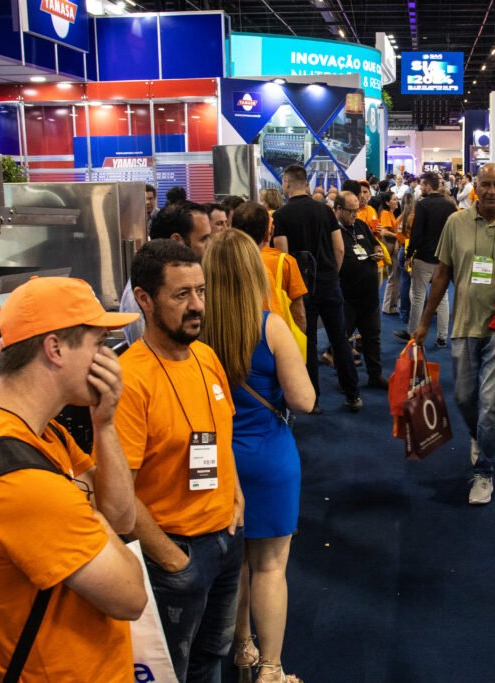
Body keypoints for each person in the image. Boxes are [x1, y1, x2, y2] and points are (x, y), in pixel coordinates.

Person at [0, 277, 146, 681]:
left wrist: (105, 424)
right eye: (98, 344)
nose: (108, 359)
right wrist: (85, 509)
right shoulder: (20, 483)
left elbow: (122, 518)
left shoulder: (36, 432)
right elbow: (130, 596)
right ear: (55, 348)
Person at [117, 240, 245, 682]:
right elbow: (119, 495)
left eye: (201, 291)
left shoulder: (206, 357)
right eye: (181, 294)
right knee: (172, 668)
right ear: (145, 299)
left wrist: (236, 498)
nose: (197, 306)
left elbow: (222, 436)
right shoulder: (131, 381)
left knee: (214, 656)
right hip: (175, 554)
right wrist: (172, 560)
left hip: (226, 539)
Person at [201, 229, 315, 682]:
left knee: (234, 565)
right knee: (269, 566)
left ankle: (242, 645)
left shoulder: (194, 331)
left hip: (215, 461)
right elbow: (304, 400)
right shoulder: (270, 327)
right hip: (268, 458)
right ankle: (271, 667)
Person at [412, 163, 495, 505]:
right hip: (464, 324)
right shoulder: (456, 222)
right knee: (464, 397)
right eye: (486, 184)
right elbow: (442, 273)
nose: (492, 191)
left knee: (491, 405)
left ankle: (484, 471)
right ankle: (479, 437)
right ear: (475, 187)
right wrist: (424, 322)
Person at [272, 164, 361, 412]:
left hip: (301, 289)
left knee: (307, 342)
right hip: (329, 283)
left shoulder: (281, 216)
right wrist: (332, 274)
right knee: (340, 339)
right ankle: (353, 394)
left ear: (287, 183)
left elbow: (283, 257)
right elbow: (339, 248)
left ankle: (313, 400)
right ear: (306, 183)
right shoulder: (325, 211)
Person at [120, 201, 212, 345]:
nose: (197, 306)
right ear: (177, 240)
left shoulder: (204, 353)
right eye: (204, 239)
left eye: (200, 291)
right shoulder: (142, 295)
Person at [334, 190, 388, 388]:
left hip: (369, 295)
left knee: (372, 338)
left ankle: (375, 376)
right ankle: (346, 382)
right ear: (338, 209)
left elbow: (375, 244)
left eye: (356, 210)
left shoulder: (361, 225)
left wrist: (378, 251)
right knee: (341, 342)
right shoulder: (332, 231)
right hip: (346, 297)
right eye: (351, 211)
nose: (355, 215)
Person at [397, 171, 456, 347]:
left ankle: (413, 334)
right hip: (443, 259)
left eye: (422, 184)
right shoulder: (450, 206)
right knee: (443, 298)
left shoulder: (422, 205)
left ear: (428, 186)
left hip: (423, 258)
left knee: (418, 297)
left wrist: (409, 255)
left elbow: (416, 234)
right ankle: (442, 337)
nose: (420, 187)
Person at [231, 201, 308, 336]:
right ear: (268, 234)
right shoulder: (284, 263)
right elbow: (299, 313)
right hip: (275, 338)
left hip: (234, 335)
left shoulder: (222, 261)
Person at [384, 192, 415, 316]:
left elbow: (398, 233)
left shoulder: (400, 218)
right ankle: (411, 311)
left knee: (404, 280)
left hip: (402, 249)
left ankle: (404, 310)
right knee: (414, 282)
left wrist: (398, 241)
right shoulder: (413, 217)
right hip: (410, 250)